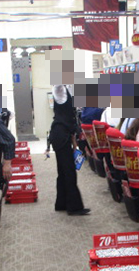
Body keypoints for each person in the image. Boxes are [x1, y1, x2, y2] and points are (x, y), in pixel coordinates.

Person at [47, 84, 90, 216]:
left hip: (61, 134)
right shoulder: (60, 90)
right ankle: (73, 207)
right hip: (61, 135)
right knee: (69, 171)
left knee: (63, 171)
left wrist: (74, 142)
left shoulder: (66, 92)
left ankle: (62, 203)